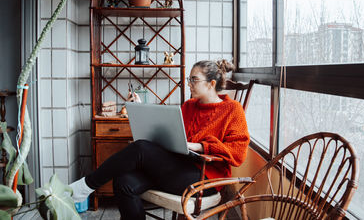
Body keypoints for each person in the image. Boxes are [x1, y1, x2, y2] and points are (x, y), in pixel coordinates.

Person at [69, 59, 250, 219]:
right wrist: (143, 109)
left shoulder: (233, 109)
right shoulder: (189, 106)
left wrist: (199, 146)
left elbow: (238, 152)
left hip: (204, 178)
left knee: (140, 148)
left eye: (194, 80)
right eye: (189, 79)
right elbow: (172, 133)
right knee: (123, 181)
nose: (189, 84)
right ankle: (86, 188)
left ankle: (86, 186)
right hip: (178, 168)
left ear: (211, 83)